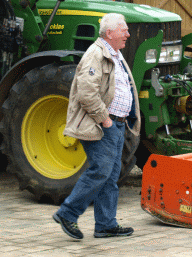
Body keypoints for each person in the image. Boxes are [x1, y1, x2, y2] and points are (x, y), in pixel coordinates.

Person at [53, 13, 141, 240]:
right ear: (109, 33)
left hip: (117, 124)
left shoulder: (115, 54)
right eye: (124, 30)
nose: (128, 34)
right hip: (103, 124)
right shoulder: (96, 54)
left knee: (110, 175)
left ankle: (105, 224)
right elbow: (86, 93)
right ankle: (67, 213)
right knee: (101, 170)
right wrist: (105, 119)